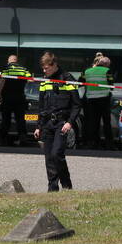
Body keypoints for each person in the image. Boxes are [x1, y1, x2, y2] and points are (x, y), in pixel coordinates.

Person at [34, 52, 81, 192]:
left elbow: (77, 104)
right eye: (43, 68)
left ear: (54, 65)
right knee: (49, 158)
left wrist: (70, 122)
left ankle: (67, 185)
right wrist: (38, 126)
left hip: (62, 122)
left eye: (46, 68)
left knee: (56, 154)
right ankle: (52, 189)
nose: (44, 71)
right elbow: (41, 105)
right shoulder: (45, 80)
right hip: (47, 123)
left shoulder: (67, 79)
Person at [80, 55, 114, 149]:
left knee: (93, 122)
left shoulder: (87, 71)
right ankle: (109, 145)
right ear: (106, 64)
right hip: (104, 99)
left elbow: (80, 82)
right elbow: (111, 84)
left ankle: (94, 143)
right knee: (106, 122)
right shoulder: (107, 71)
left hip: (91, 100)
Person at [0, 54, 31, 146]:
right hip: (20, 97)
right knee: (20, 120)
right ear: (16, 61)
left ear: (9, 61)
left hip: (7, 97)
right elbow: (30, 80)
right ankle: (23, 139)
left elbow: (2, 81)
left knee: (6, 120)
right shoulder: (24, 69)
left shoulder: (6, 68)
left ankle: (2, 140)